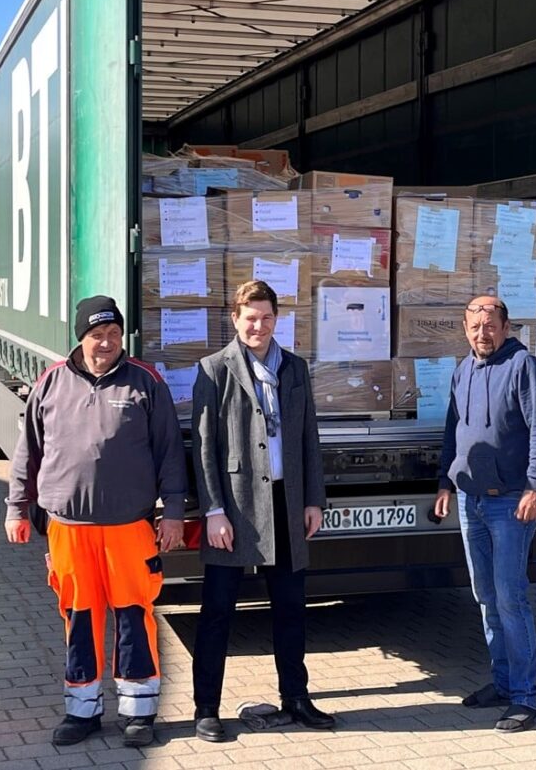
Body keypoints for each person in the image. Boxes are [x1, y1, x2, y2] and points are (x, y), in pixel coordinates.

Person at [4, 295, 187, 748]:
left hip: (130, 527)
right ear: (81, 338)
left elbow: (170, 452)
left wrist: (174, 513)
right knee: (79, 618)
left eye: (113, 334)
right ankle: (81, 711)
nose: (106, 343)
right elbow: (28, 452)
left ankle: (138, 712)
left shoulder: (145, 381)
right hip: (68, 529)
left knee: (133, 616)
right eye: (97, 334)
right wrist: (16, 508)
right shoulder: (51, 382)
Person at [190, 280, 334, 743]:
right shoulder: (214, 369)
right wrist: (213, 510)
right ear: (235, 319)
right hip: (234, 506)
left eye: (267, 317)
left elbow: (309, 437)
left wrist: (313, 499)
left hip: (286, 501)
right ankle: (206, 707)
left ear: (277, 319)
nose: (259, 326)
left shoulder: (294, 368)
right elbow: (204, 447)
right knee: (218, 610)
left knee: (290, 607)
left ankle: (296, 697)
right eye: (250, 318)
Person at [433, 295, 536, 734]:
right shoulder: (463, 369)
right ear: (465, 329)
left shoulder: (524, 368)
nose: (482, 333)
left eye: (490, 325)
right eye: (475, 326)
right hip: (471, 500)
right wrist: (446, 481)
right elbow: (453, 430)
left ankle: (525, 697)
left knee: (510, 597)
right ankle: (503, 683)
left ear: (505, 327)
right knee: (485, 595)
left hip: (510, 501)